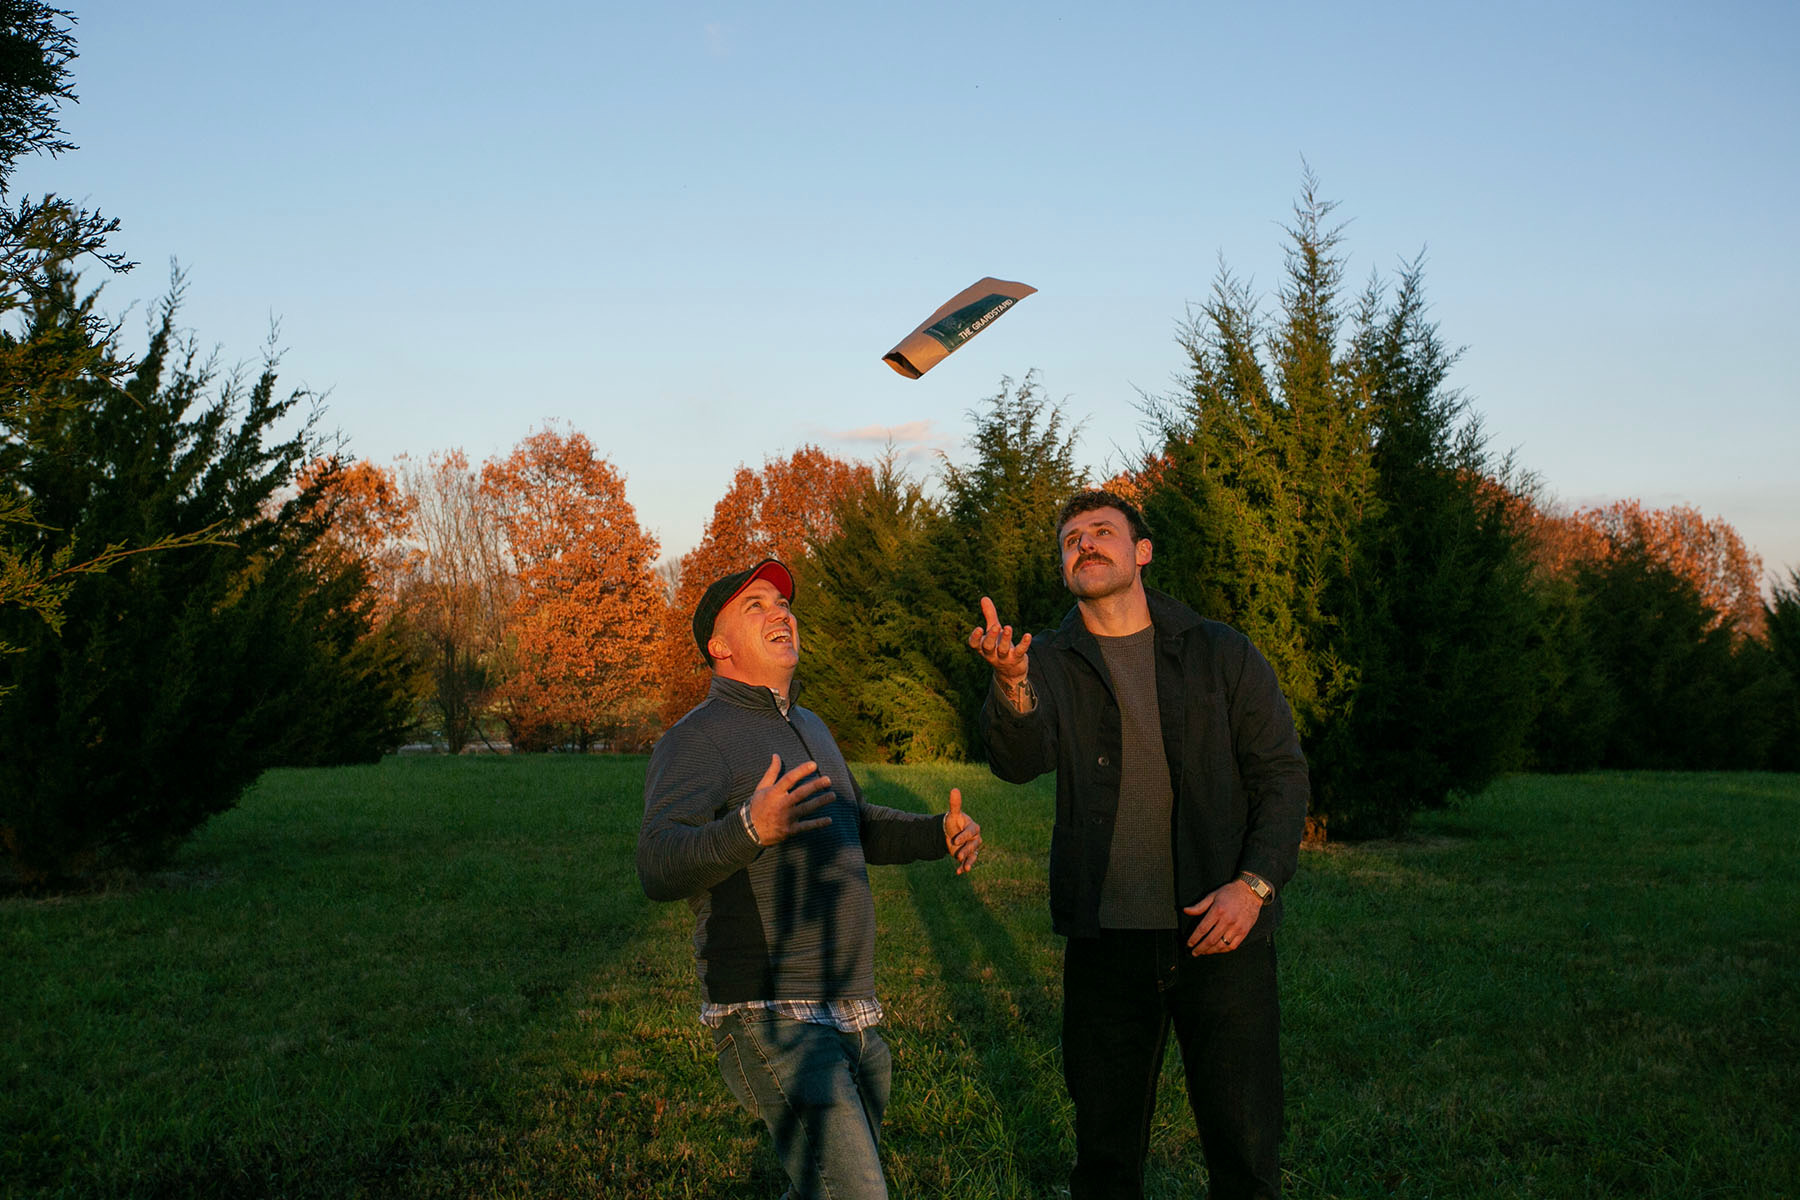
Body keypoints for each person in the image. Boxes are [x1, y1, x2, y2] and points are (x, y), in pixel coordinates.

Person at [969, 489, 1309, 1200]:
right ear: (1064, 568)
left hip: (1221, 933)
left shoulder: (1220, 652)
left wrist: (1254, 888)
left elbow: (1281, 775)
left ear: (1142, 551)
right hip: (1107, 945)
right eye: (1071, 540)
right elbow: (1019, 759)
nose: (1085, 545)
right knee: (1106, 1160)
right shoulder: (1052, 661)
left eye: (1102, 532)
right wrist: (1011, 686)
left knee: (1245, 1154)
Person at [639, 558, 982, 1200]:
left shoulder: (811, 725)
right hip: (773, 1012)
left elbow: (855, 825)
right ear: (719, 647)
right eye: (756, 605)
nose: (781, 613)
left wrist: (937, 831)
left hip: (852, 1011)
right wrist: (748, 829)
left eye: (784, 603)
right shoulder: (696, 738)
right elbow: (657, 862)